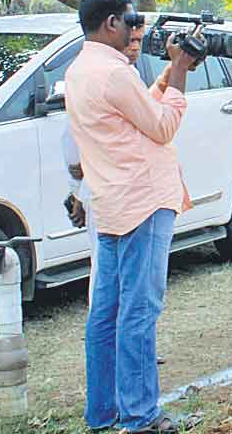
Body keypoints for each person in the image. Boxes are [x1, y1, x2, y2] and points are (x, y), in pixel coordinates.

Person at [66, 0, 198, 433]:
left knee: (106, 312)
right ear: (110, 24)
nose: (135, 29)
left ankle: (103, 412)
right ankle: (141, 416)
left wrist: (164, 78)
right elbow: (161, 126)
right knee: (139, 310)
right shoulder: (114, 74)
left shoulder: (84, 68)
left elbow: (134, 113)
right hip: (143, 200)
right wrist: (180, 73)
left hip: (113, 202)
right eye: (130, 20)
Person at [64, 26, 145, 302]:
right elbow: (74, 138)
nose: (134, 46)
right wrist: (78, 189)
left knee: (116, 277)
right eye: (131, 39)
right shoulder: (110, 74)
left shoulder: (123, 73)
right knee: (107, 276)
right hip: (108, 192)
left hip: (121, 192)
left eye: (139, 41)